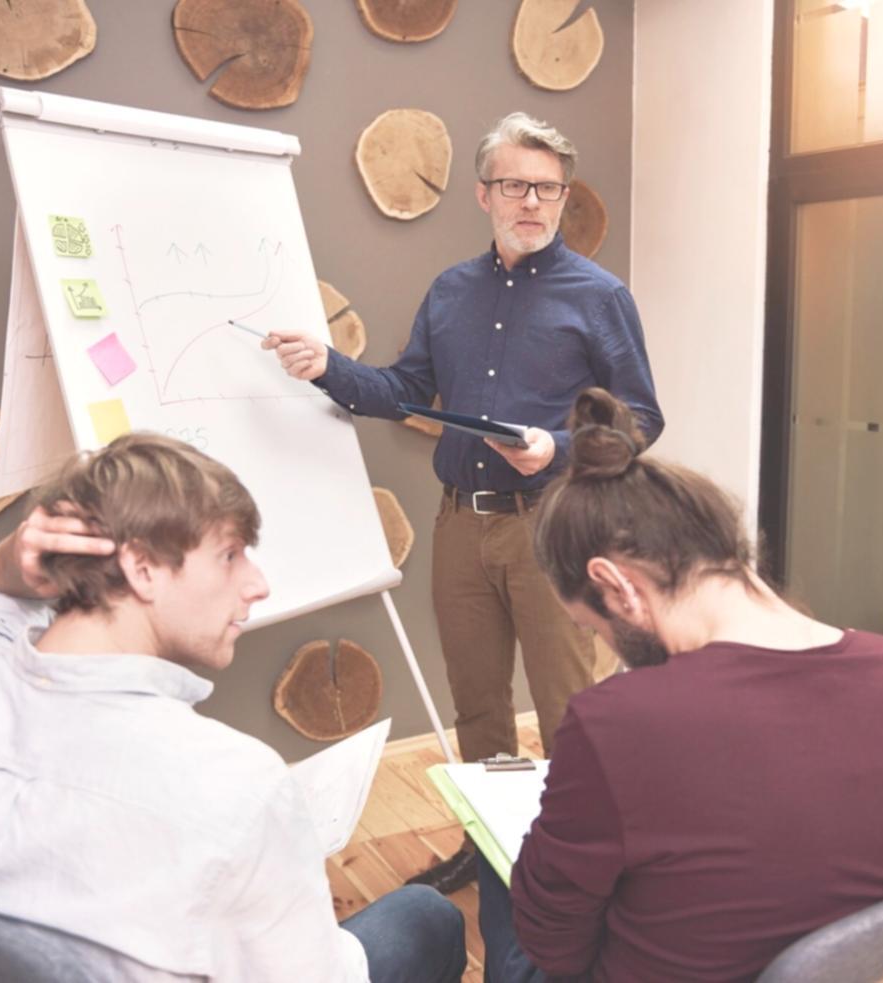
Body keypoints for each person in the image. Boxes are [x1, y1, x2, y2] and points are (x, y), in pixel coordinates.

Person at [0, 433, 466, 983]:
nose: (257, 583)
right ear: (142, 569)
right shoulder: (235, 784)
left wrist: (11, 561)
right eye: (231, 554)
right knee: (427, 918)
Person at [263, 112, 663, 892]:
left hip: (552, 525)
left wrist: (557, 447)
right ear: (483, 193)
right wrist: (325, 367)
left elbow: (640, 419)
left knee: (568, 711)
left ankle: (580, 869)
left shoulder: (600, 295)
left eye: (548, 189)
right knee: (476, 706)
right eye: (516, 185)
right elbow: (403, 390)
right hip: (458, 522)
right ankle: (492, 845)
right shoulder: (451, 290)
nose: (533, 202)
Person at [475, 388, 883, 982]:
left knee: (495, 862)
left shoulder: (618, 721)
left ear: (616, 586)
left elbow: (555, 946)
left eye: (593, 627)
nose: (605, 645)